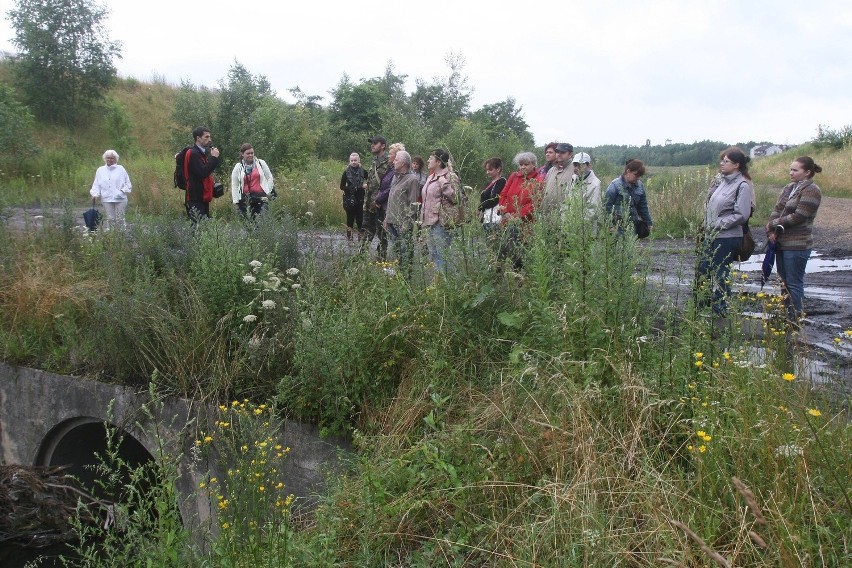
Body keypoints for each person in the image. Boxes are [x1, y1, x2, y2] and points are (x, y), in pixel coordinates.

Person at [696, 147, 754, 315]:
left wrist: (718, 223)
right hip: (712, 234)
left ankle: (721, 308)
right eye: (722, 160)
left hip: (727, 236)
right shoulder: (722, 182)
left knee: (721, 271)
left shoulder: (742, 185)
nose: (722, 163)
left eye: (726, 161)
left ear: (736, 165)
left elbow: (742, 214)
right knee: (704, 268)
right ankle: (703, 302)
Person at [765, 156, 823, 323]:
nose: (791, 173)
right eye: (791, 169)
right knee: (783, 281)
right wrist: (771, 228)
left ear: (807, 172)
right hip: (782, 243)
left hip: (798, 244)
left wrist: (773, 224)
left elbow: (799, 216)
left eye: (795, 170)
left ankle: (795, 316)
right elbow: (778, 208)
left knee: (793, 282)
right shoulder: (789, 187)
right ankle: (786, 314)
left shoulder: (812, 190)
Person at [497, 152, 543, 270]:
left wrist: (517, 216)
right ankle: (507, 276)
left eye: (526, 164)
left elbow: (535, 203)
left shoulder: (538, 180)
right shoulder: (514, 176)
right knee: (506, 249)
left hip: (525, 224)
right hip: (507, 220)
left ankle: (521, 278)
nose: (522, 167)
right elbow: (503, 194)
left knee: (521, 252)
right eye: (520, 164)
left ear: (533, 165)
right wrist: (505, 211)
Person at [420, 148, 461, 274]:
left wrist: (445, 185)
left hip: (442, 222)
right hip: (429, 221)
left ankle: (446, 285)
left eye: (431, 158)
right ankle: (439, 284)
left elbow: (457, 198)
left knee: (442, 254)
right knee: (433, 253)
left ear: (438, 162)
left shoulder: (450, 176)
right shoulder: (431, 177)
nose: (428, 160)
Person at [383, 150, 421, 278]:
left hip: (403, 224)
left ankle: (406, 278)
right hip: (391, 221)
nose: (393, 161)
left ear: (404, 163)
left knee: (405, 252)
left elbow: (413, 205)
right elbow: (390, 199)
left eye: (396, 160)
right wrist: (386, 218)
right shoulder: (395, 176)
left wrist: (407, 224)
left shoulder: (413, 180)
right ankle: (396, 277)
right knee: (393, 251)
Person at [604, 159, 653, 237]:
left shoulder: (640, 186)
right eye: (636, 175)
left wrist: (648, 222)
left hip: (633, 227)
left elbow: (643, 206)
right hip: (617, 228)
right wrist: (609, 226)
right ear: (628, 171)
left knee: (631, 248)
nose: (638, 178)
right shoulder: (614, 186)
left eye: (639, 176)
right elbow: (606, 208)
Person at [361, 136, 390, 258]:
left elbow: (389, 185)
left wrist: (379, 200)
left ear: (382, 145)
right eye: (371, 143)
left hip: (379, 205)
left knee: (382, 234)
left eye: (375, 143)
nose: (372, 145)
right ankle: (360, 256)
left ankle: (381, 257)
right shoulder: (374, 161)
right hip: (369, 204)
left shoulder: (389, 162)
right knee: (367, 230)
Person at [185, 126, 221, 221]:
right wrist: (214, 158)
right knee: (198, 229)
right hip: (195, 198)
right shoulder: (193, 153)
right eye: (206, 137)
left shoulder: (200, 153)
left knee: (204, 228)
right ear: (198, 138)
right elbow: (202, 173)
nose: (209, 140)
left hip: (202, 197)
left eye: (209, 137)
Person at [90, 149, 132, 231]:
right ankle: (112, 236)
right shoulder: (100, 170)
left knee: (120, 218)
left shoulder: (121, 169)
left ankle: (121, 235)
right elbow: (97, 184)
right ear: (105, 158)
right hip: (106, 198)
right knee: (110, 218)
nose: (109, 159)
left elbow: (128, 183)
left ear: (116, 159)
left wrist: (122, 191)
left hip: (120, 198)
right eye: (108, 158)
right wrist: (95, 194)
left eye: (112, 158)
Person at [230, 143, 274, 220]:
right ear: (242, 154)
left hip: (261, 198)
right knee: (248, 223)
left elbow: (270, 177)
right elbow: (235, 185)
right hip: (245, 199)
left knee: (261, 221)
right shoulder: (238, 167)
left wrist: (268, 192)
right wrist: (236, 202)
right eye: (248, 153)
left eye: (252, 153)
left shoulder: (261, 163)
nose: (250, 155)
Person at [540, 142, 576, 220]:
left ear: (570, 154)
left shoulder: (575, 169)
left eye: (563, 152)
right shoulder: (552, 170)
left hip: (564, 218)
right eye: (557, 151)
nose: (559, 154)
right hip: (547, 216)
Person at [339, 152, 366, 241]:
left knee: (360, 220)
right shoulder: (346, 172)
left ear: (359, 160)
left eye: (355, 160)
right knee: (350, 220)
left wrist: (365, 185)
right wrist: (350, 188)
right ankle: (349, 239)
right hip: (349, 199)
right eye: (352, 160)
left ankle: (360, 240)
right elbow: (341, 186)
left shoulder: (363, 171)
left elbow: (371, 180)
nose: (353, 162)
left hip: (360, 199)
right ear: (349, 161)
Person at [479, 157, 506, 236]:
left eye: (490, 170)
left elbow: (494, 199)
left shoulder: (502, 181)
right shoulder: (489, 183)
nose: (487, 172)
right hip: (487, 218)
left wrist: (480, 207)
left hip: (496, 218)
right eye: (486, 170)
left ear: (498, 169)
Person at [572, 152, 602, 221]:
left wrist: (577, 224)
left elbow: (593, 211)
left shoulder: (595, 184)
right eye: (575, 165)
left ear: (589, 166)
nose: (576, 168)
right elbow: (566, 203)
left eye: (580, 165)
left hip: (586, 228)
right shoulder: (573, 179)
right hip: (570, 226)